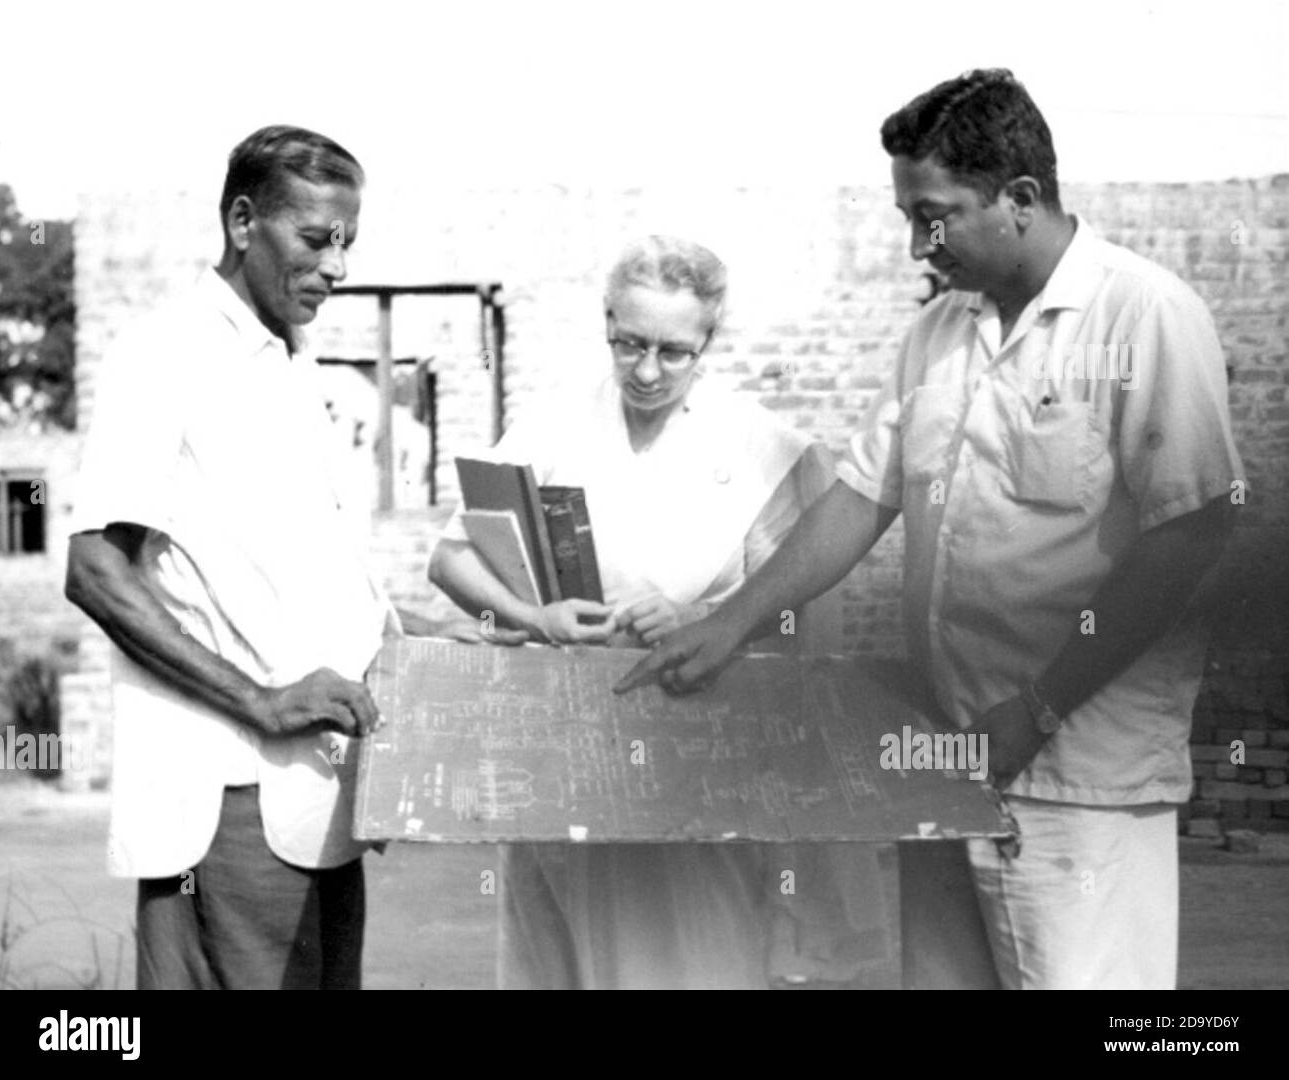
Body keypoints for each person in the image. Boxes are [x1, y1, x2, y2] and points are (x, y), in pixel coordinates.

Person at [619, 70, 1246, 990]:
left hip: (1076, 777)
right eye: (910, 217)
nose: (918, 244)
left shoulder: (1144, 315)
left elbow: (1189, 535)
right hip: (946, 757)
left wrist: (1037, 711)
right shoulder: (941, 333)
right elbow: (864, 497)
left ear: (1021, 199)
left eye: (935, 216)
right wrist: (731, 622)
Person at [63, 125, 497, 990]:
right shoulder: (164, 355)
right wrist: (260, 702)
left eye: (348, 242)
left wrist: (455, 644)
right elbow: (95, 570)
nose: (337, 265)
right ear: (241, 220)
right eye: (315, 238)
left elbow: (311, 591)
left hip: (322, 801)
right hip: (230, 805)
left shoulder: (294, 365)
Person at [429, 235, 887, 989]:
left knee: (681, 967)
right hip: (563, 754)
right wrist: (531, 616)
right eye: (629, 343)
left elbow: (809, 620)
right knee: (557, 967)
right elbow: (450, 558)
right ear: (606, 321)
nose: (646, 370)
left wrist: (707, 617)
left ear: (709, 338)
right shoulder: (556, 422)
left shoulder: (758, 445)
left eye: (673, 352)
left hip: (692, 764)